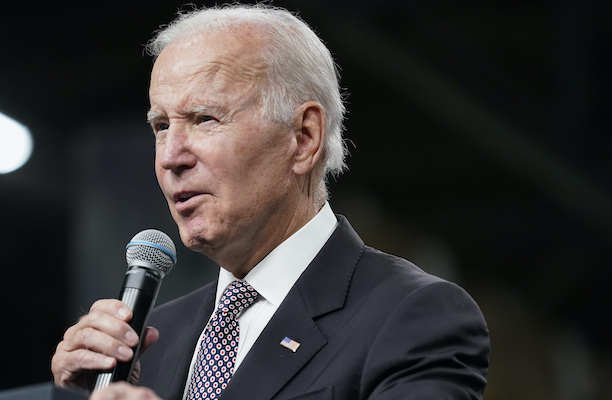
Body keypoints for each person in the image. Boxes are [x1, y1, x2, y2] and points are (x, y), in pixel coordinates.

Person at [51, 4, 490, 400]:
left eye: (204, 119)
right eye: (161, 126)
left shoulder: (412, 315)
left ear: (303, 138)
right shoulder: (150, 345)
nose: (170, 157)